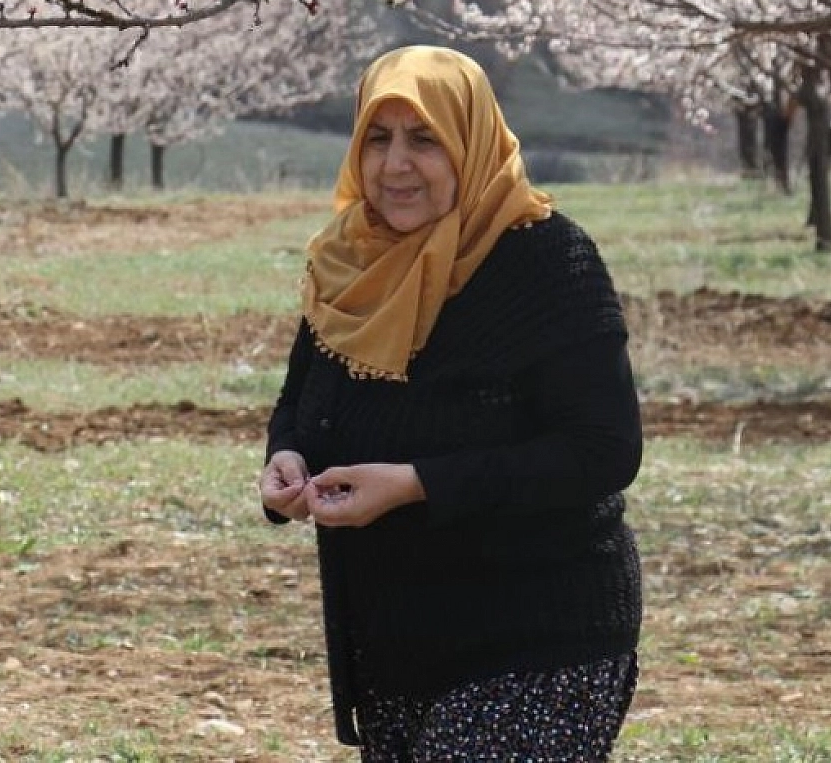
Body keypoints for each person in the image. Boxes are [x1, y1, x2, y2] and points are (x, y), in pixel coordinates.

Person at [259, 45, 642, 762]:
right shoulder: (350, 261)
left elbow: (604, 448)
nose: (395, 164)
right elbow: (304, 395)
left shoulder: (547, 262)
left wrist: (418, 483)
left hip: (535, 638)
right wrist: (289, 457)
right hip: (396, 644)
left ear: (471, 142)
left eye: (424, 138)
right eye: (378, 137)